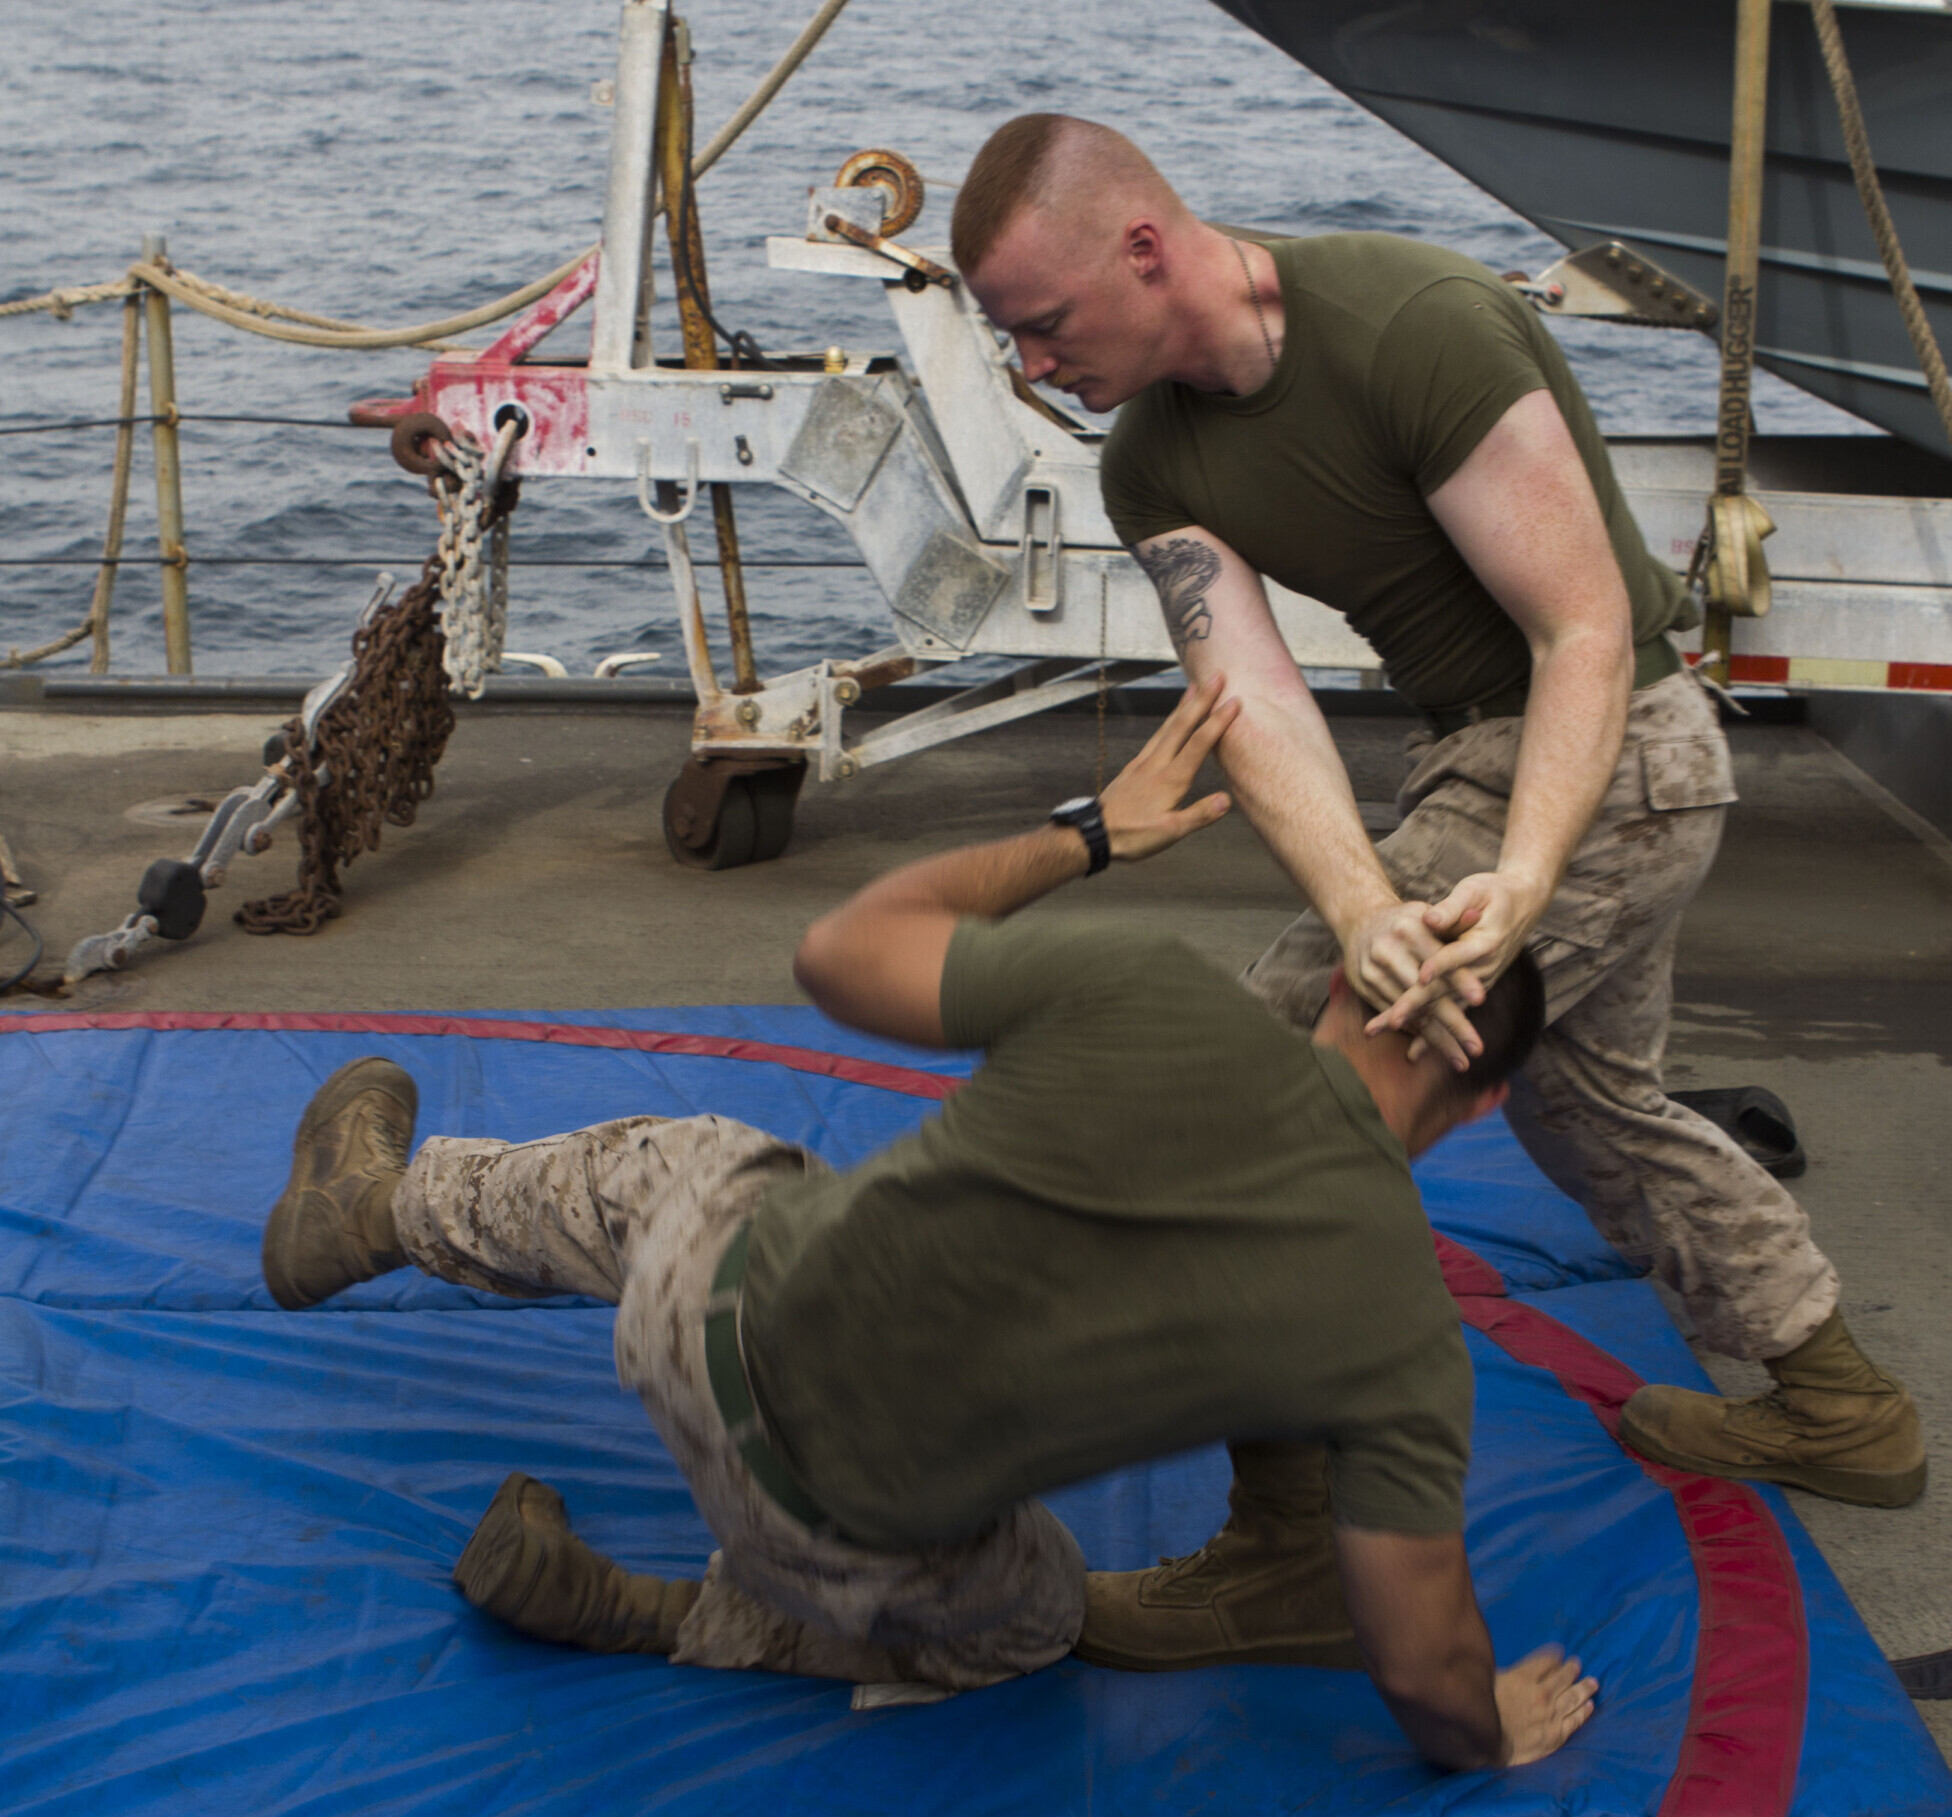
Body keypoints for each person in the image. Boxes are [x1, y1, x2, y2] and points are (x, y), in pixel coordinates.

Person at [948, 113, 1924, 1666]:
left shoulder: (1415, 322)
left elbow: (1583, 628)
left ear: (1143, 249)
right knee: (1594, 1112)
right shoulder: (1151, 460)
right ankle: (1841, 1406)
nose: (1032, 368)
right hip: (1481, 756)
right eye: (1011, 340)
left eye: (1046, 325)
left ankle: (1290, 1558)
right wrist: (1359, 904)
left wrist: (1523, 880)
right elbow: (1253, 705)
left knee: (1271, 1098)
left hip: (1614, 751)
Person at [262, 679, 1594, 1772]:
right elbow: (1420, 1660)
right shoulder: (1404, 1345)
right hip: (832, 1541)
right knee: (1040, 1612)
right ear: (1484, 1099)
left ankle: (375, 1209)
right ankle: (658, 1614)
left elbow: (840, 953)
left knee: (689, 1162)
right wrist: (1485, 1728)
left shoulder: (1154, 992)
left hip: (699, 1316)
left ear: (1352, 973)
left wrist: (1088, 833)